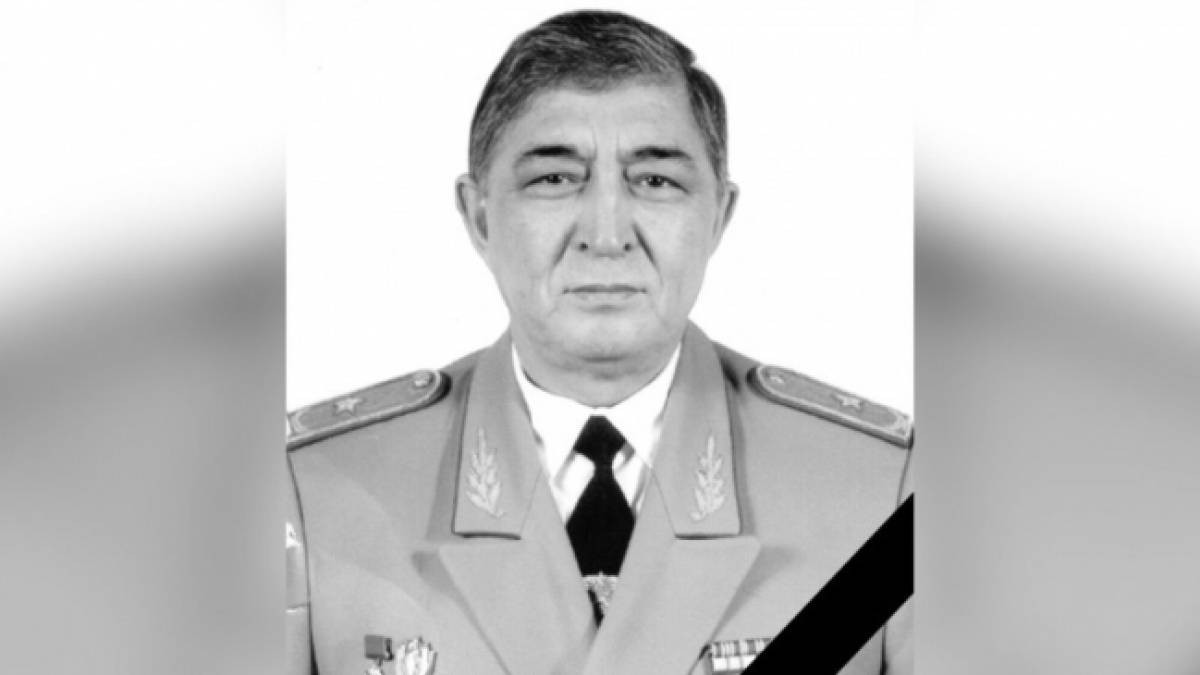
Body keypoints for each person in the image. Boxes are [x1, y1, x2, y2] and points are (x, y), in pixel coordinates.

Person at [286, 10, 912, 674]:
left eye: (656, 180)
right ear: (479, 216)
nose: (606, 235)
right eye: (554, 178)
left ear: (718, 216)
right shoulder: (318, 495)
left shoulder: (877, 496)